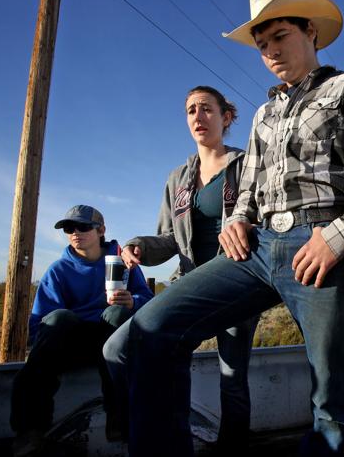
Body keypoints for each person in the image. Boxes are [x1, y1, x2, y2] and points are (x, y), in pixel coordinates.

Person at [107, 0, 344, 456]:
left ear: (310, 31)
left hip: (321, 247)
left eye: (279, 36)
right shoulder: (264, 115)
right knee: (150, 332)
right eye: (261, 44)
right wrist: (237, 220)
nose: (269, 51)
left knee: (331, 400)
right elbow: (247, 189)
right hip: (255, 248)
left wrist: (338, 237)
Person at [103, 85, 259, 451]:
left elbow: (264, 220)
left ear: (227, 117)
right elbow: (169, 238)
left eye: (206, 108)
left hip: (238, 279)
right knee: (119, 349)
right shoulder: (178, 178)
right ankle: (170, 439)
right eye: (190, 110)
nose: (198, 117)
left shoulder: (249, 165)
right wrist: (139, 245)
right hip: (189, 283)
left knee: (232, 376)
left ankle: (233, 447)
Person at [10, 205, 153, 455]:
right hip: (71, 346)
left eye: (83, 226)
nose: (75, 232)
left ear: (101, 231)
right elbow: (39, 325)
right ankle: (30, 429)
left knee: (118, 313)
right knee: (57, 319)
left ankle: (119, 416)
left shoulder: (123, 263)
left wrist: (133, 301)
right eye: (69, 228)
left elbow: (148, 301)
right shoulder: (58, 270)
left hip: (112, 344)